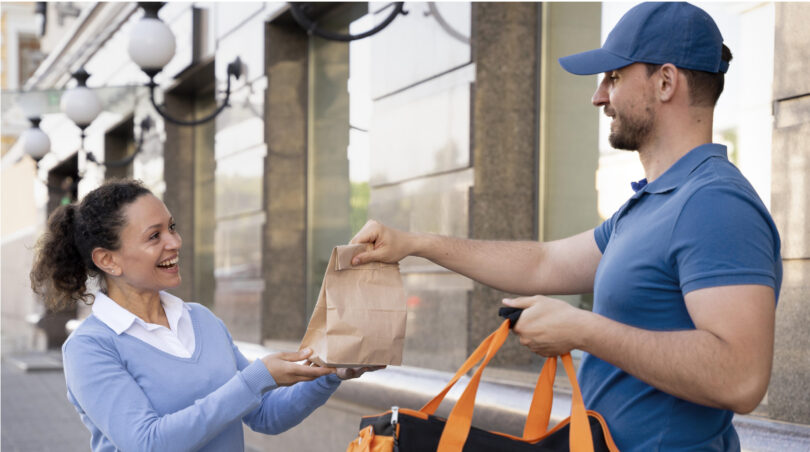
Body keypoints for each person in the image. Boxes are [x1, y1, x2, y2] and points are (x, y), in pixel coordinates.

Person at [349, 2, 781, 451]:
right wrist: (415, 243)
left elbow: (740, 378)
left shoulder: (714, 204)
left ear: (666, 82)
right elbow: (544, 262)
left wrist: (581, 330)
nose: (598, 96)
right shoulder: (654, 203)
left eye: (614, 78)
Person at [30, 179, 379, 452]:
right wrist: (254, 379)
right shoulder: (90, 347)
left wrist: (330, 373)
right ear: (108, 260)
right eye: (154, 236)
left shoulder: (200, 320)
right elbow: (148, 443)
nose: (174, 242)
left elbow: (265, 415)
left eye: (171, 227)